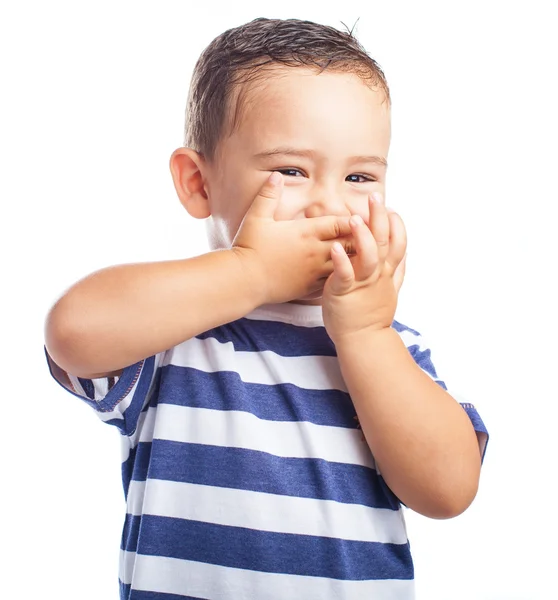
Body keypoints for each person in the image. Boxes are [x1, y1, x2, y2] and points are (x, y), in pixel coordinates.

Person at [44, 17, 488, 600]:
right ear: (199, 184)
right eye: (291, 171)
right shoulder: (175, 334)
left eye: (359, 176)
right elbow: (73, 331)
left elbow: (449, 491)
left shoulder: (390, 346)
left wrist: (365, 334)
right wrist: (250, 271)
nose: (329, 202)